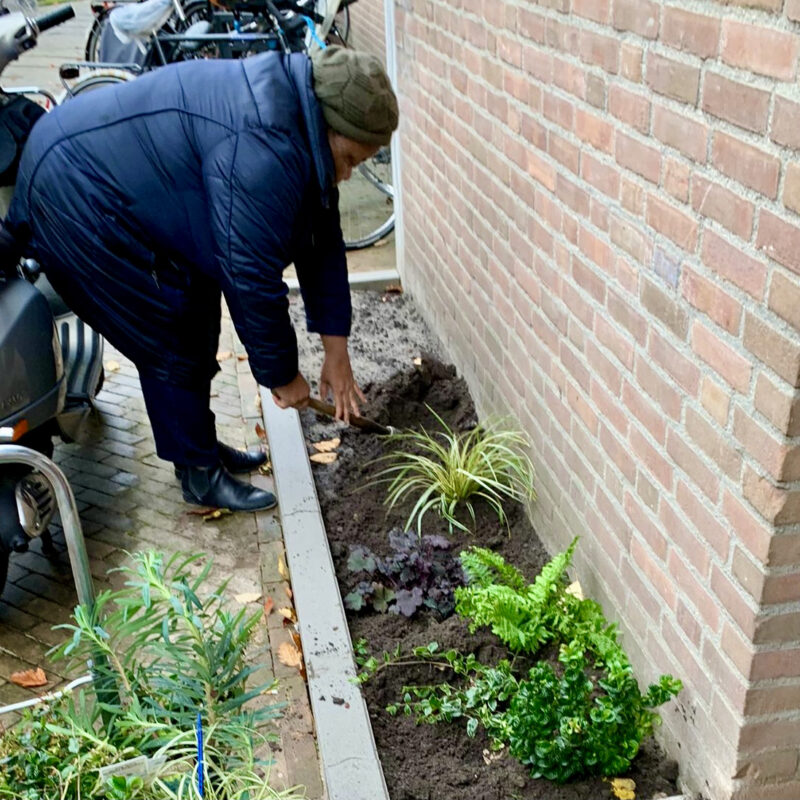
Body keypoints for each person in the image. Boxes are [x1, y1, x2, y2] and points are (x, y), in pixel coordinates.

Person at [3, 45, 399, 513]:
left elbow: (321, 233)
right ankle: (198, 474)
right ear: (330, 126)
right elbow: (249, 275)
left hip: (105, 176)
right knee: (170, 326)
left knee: (192, 313)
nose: (349, 174)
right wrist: (282, 375)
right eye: (350, 158)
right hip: (76, 193)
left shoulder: (300, 121)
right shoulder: (266, 146)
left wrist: (336, 348)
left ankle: (201, 449)